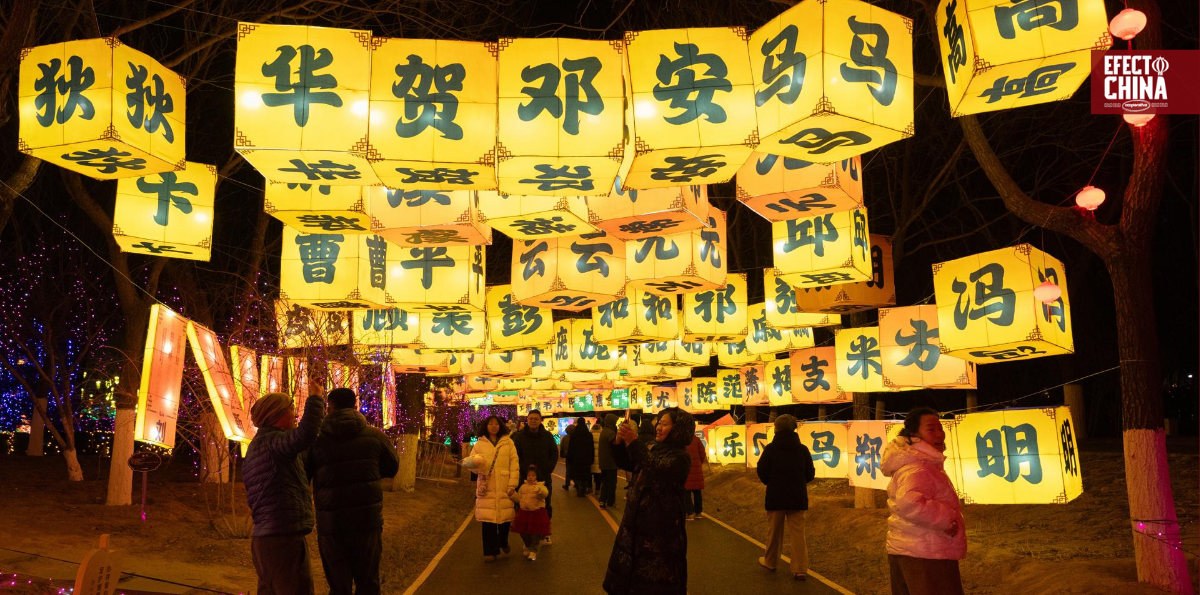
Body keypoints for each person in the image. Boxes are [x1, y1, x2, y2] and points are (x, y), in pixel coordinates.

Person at [305, 388, 399, 595]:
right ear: (355, 405)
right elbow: (392, 467)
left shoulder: (316, 439)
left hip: (331, 522)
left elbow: (304, 473)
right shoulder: (375, 435)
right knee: (368, 581)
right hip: (367, 520)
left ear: (329, 407)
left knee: (338, 584)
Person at [603, 407, 694, 595]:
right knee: (631, 575)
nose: (659, 428)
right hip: (635, 525)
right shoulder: (653, 446)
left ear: (678, 429)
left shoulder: (681, 456)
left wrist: (634, 441)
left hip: (660, 531)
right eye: (658, 423)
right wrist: (620, 443)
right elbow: (628, 464)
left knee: (655, 580)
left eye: (665, 424)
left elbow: (654, 467)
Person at [243, 392, 325, 595]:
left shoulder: (261, 446)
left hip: (267, 539)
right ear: (276, 415)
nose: (295, 415)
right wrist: (315, 398)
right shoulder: (273, 442)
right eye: (291, 409)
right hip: (282, 539)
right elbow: (306, 434)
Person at [881, 407, 967, 595]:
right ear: (914, 435)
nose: (939, 434)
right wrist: (947, 520)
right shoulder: (918, 467)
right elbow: (909, 502)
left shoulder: (916, 463)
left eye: (940, 428)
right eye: (931, 429)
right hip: (927, 555)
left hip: (913, 550)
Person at [755, 414, 816, 581]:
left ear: (776, 429)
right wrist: (799, 483)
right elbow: (810, 473)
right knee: (798, 534)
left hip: (776, 496)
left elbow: (761, 471)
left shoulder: (770, 449)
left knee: (774, 532)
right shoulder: (802, 449)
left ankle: (771, 562)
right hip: (798, 497)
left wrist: (770, 482)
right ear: (794, 429)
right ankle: (800, 568)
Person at [461, 415, 520, 562]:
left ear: (501, 426)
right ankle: (489, 551)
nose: (494, 426)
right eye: (490, 424)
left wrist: (512, 484)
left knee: (506, 518)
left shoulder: (508, 443)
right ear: (485, 426)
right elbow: (471, 465)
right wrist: (477, 464)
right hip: (486, 486)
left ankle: (503, 541)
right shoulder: (479, 444)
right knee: (488, 520)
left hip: (505, 485)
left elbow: (514, 464)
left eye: (496, 424)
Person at [512, 410, 559, 545]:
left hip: (543, 479)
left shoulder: (547, 436)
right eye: (531, 418)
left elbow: (554, 453)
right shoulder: (520, 437)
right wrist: (523, 469)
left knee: (545, 507)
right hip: (525, 480)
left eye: (536, 419)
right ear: (527, 420)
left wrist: (548, 469)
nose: (533, 421)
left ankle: (545, 533)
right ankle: (527, 538)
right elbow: (515, 456)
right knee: (525, 508)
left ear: (540, 421)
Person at [509, 465, 551, 561]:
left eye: (533, 475)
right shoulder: (523, 487)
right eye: (529, 475)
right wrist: (512, 495)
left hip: (536, 513)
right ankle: (527, 546)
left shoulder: (540, 486)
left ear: (537, 477)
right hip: (524, 513)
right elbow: (519, 498)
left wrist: (539, 490)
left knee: (535, 533)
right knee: (524, 533)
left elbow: (545, 493)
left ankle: (533, 551)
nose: (530, 477)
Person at [566, 417, 595, 497]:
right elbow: (592, 448)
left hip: (576, 458)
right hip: (586, 458)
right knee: (585, 475)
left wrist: (569, 458)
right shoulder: (589, 435)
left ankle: (578, 486)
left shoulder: (574, 435)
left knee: (577, 474)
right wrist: (592, 458)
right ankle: (584, 489)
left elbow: (570, 448)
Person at [597, 414, 619, 509]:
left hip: (603, 462)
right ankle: (611, 502)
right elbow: (615, 446)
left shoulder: (604, 431)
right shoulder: (611, 433)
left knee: (605, 482)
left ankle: (602, 500)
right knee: (611, 483)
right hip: (610, 462)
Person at [683, 434, 707, 521]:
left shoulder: (682, 441)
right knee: (697, 492)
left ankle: (689, 513)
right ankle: (698, 512)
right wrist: (698, 463)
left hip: (686, 468)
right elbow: (702, 453)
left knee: (686, 491)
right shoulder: (697, 440)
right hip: (697, 469)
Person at [590, 420, 603, 494]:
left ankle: (590, 487)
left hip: (591, 457)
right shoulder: (602, 435)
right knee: (598, 474)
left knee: (590, 473)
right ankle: (597, 489)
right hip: (599, 457)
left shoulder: (590, 435)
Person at [559, 422, 573, 491]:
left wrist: (562, 454)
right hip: (576, 456)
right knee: (576, 470)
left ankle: (567, 484)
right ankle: (577, 483)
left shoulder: (565, 437)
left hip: (568, 456)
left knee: (568, 470)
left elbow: (562, 446)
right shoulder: (577, 437)